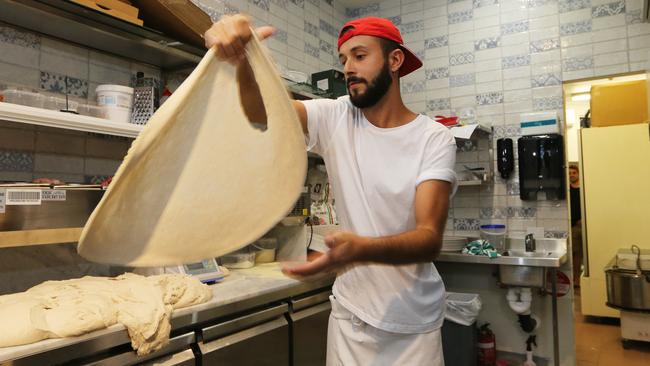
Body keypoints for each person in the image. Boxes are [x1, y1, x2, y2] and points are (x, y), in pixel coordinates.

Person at [205, 15, 457, 365]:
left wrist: (361, 250)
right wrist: (245, 64)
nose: (348, 68)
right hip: (350, 319)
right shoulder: (336, 117)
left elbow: (429, 238)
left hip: (412, 325)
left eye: (360, 55)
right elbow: (261, 114)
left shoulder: (433, 138)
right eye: (343, 60)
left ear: (395, 60)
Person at [569, 164, 582, 288]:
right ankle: (576, 278)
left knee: (585, 253)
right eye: (570, 173)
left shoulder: (583, 188)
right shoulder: (568, 190)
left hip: (584, 225)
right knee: (575, 254)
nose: (572, 175)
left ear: (578, 174)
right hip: (572, 226)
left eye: (574, 173)